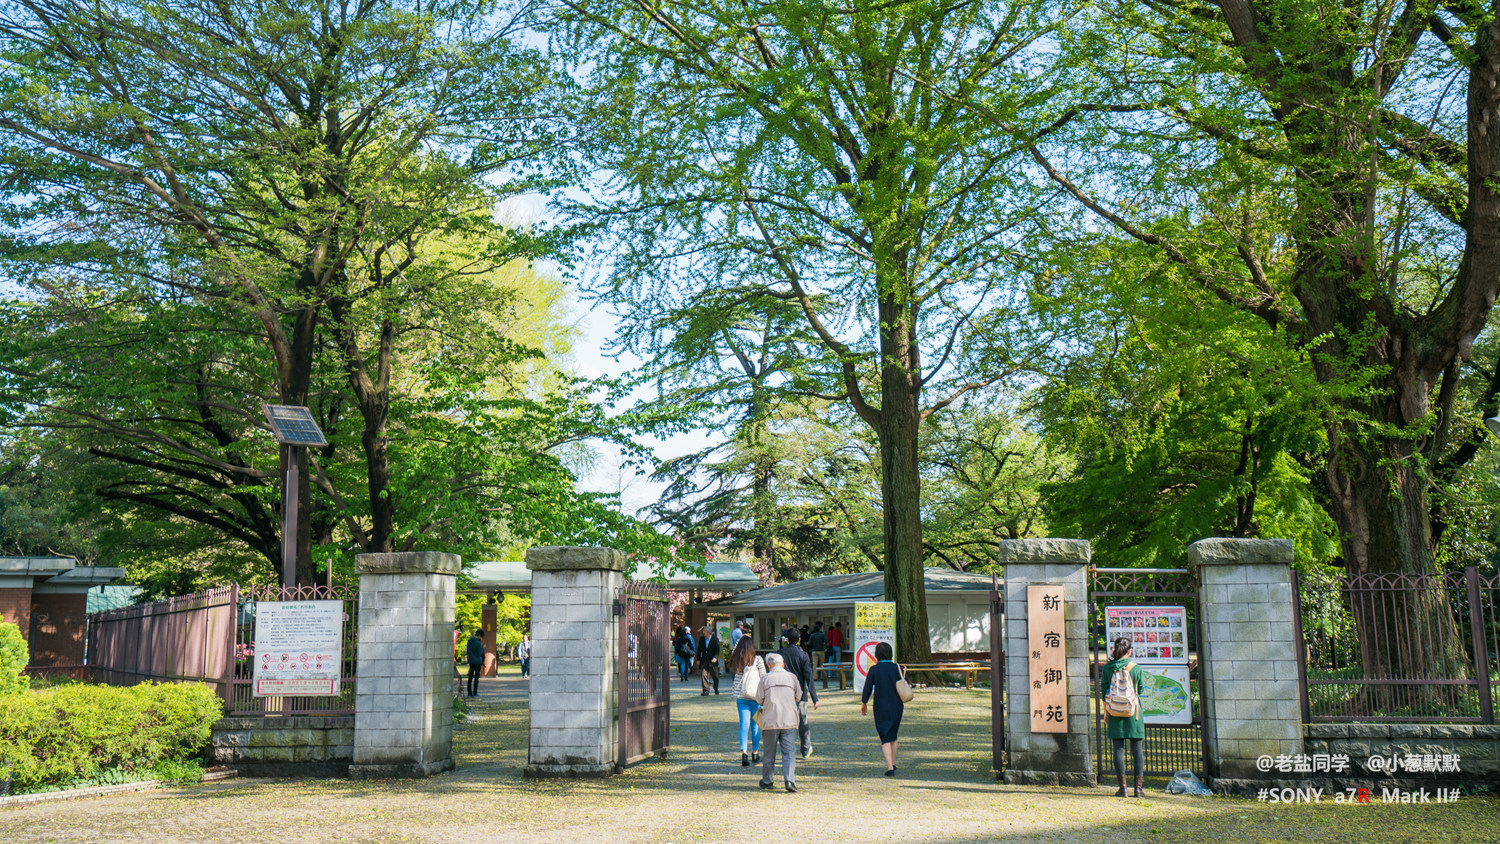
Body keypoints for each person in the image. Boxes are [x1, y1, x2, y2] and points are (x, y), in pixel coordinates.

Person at [1101, 636, 1146, 797]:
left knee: (1118, 749)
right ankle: (1138, 789)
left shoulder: (1107, 668)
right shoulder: (1136, 668)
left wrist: (1106, 712)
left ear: (1114, 650)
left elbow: (1103, 692)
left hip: (1114, 712)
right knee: (1136, 750)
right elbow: (1140, 691)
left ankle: (1123, 788)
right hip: (1134, 713)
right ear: (1130, 651)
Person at [756, 651, 802, 792]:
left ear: (769, 666)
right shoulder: (792, 677)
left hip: (770, 720)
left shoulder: (765, 679)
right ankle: (789, 780)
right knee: (789, 752)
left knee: (769, 753)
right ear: (782, 664)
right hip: (789, 719)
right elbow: (799, 696)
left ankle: (768, 780)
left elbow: (759, 698)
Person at [860, 641, 904, 776]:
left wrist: (864, 703)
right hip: (897, 705)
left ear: (877, 655)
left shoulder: (874, 670)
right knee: (893, 734)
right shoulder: (897, 668)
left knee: (884, 736)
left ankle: (889, 767)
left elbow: (867, 688)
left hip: (881, 705)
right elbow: (905, 683)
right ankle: (894, 762)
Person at [777, 627, 819, 758]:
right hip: (800, 694)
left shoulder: (779, 655)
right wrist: (814, 697)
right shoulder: (803, 655)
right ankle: (806, 748)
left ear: (787, 639)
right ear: (799, 640)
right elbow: (809, 677)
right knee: (802, 722)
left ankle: (787, 748)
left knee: (783, 723)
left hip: (783, 694)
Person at [729, 635, 765, 767]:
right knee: (756, 726)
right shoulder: (759, 660)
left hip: (741, 697)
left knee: (744, 725)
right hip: (757, 698)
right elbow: (764, 677)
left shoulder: (737, 659)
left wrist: (740, 639)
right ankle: (755, 753)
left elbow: (734, 651)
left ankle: (744, 752)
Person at [698, 624, 721, 695]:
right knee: (704, 674)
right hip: (704, 660)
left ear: (708, 632)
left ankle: (716, 688)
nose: (703, 632)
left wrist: (715, 657)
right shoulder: (701, 639)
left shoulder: (715, 639)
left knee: (715, 676)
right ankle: (706, 690)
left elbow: (717, 650)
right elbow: (699, 649)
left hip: (712, 661)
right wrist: (698, 659)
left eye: (704, 631)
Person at [464, 628, 484, 697]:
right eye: (481, 636)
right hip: (477, 662)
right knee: (476, 678)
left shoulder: (469, 641)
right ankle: (475, 692)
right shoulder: (478, 643)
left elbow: (468, 651)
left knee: (470, 678)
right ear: (479, 635)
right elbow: (479, 653)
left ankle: (469, 693)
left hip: (471, 661)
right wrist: (483, 648)